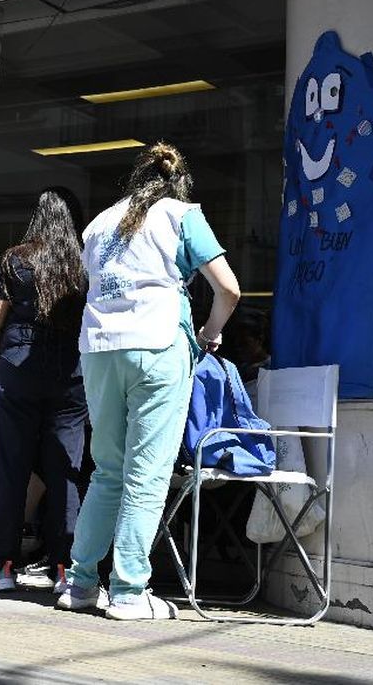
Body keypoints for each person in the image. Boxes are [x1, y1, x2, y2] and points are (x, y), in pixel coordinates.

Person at [60, 143, 241, 620]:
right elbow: (229, 288)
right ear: (175, 183)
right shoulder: (181, 214)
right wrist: (207, 334)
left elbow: (94, 283)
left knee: (107, 470)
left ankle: (79, 583)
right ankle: (127, 592)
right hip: (159, 344)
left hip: (99, 350)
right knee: (148, 472)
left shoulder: (98, 224)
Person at [0, 188, 87, 594]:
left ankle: (1, 566)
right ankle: (66, 571)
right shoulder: (83, 264)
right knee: (65, 472)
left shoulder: (17, 258)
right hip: (70, 372)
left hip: (19, 369)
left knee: (12, 469)